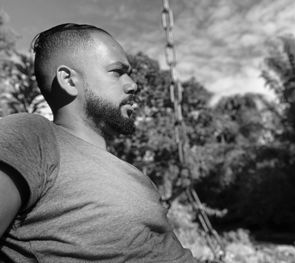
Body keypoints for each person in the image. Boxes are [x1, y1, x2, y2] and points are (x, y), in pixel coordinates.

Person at [0, 23, 196, 262]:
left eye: (130, 74)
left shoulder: (139, 178)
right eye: (117, 71)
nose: (133, 85)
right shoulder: (32, 135)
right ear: (69, 80)